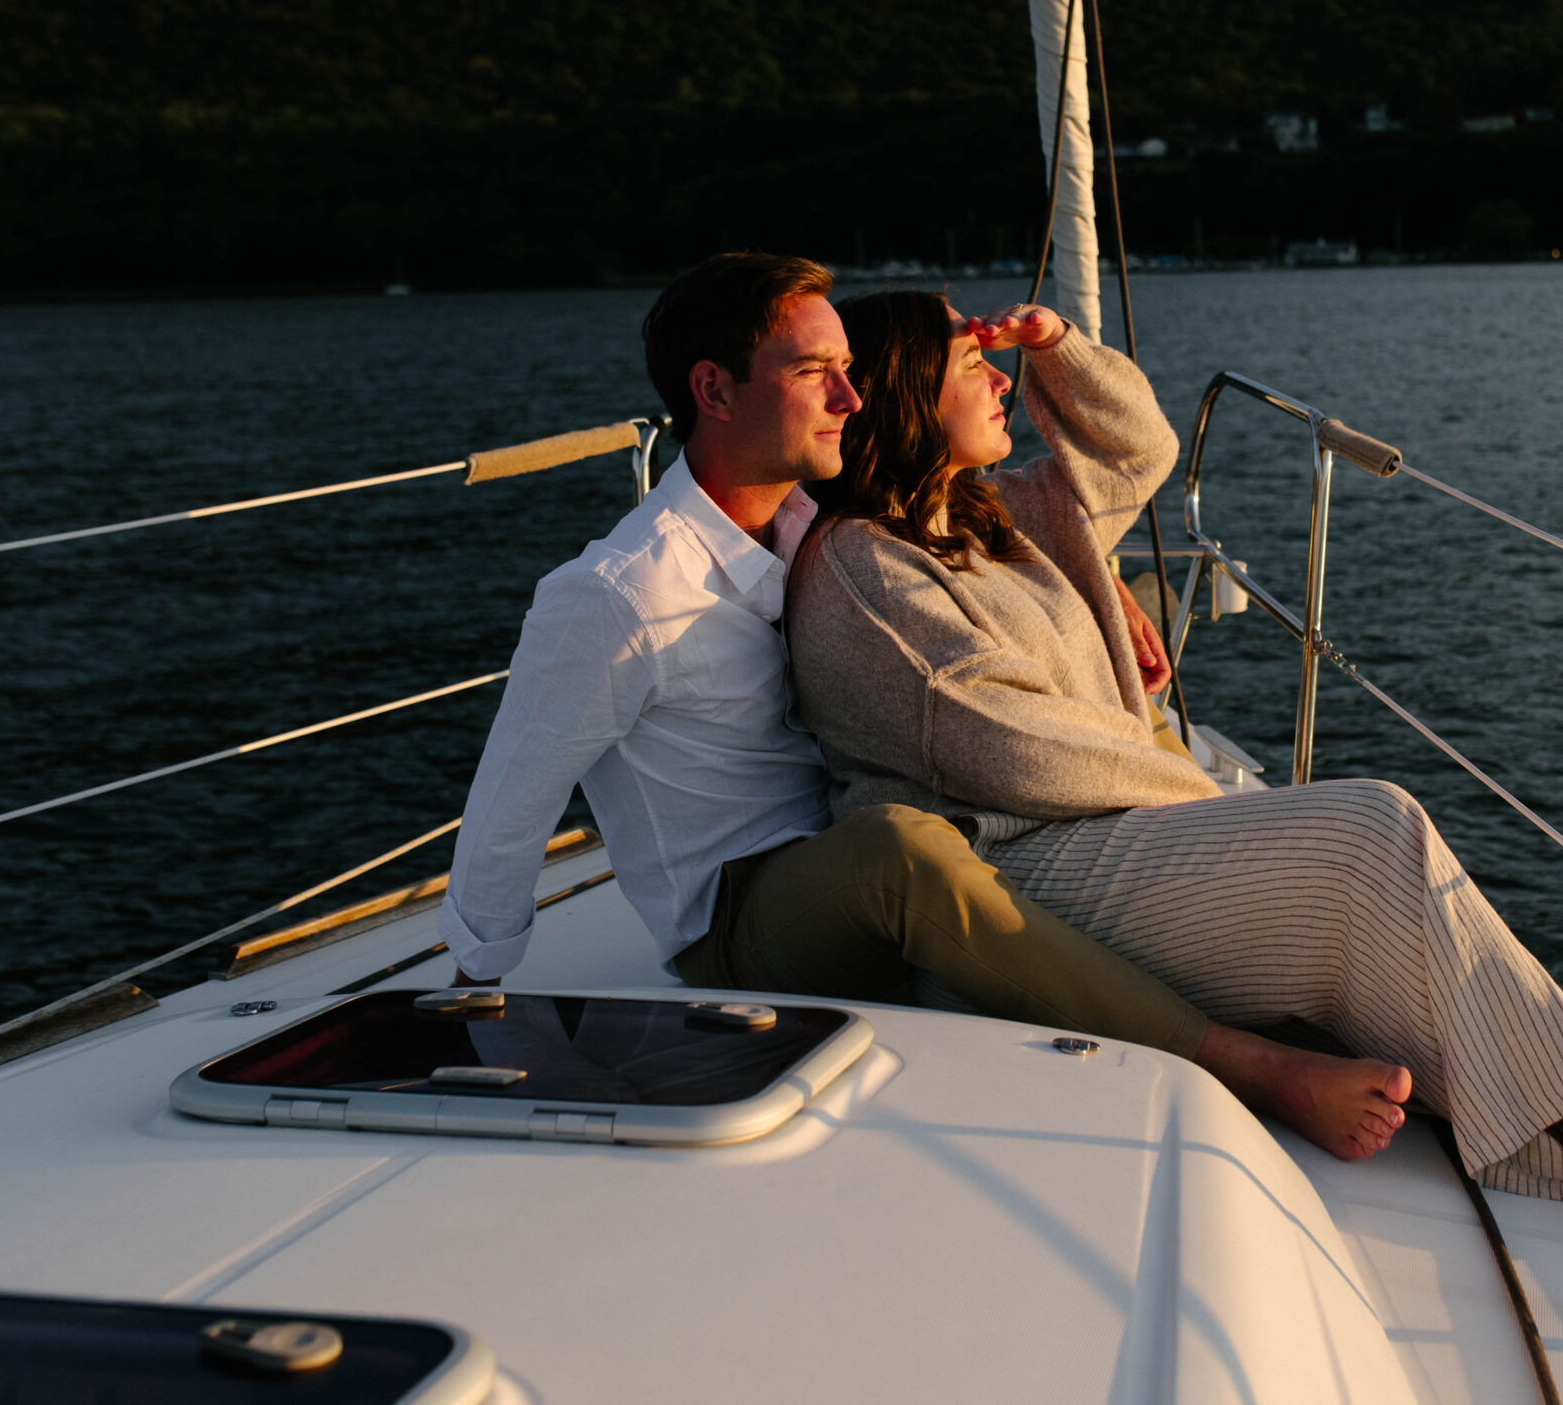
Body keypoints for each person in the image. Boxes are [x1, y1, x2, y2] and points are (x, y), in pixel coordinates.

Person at [784, 290, 1563, 1224]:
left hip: (1111, 840)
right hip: (1021, 869)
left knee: (1401, 926)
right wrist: (1206, 805)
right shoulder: (864, 568)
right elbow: (1013, 752)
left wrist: (1058, 347)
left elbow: (1136, 448)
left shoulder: (1007, 512)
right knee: (1366, 832)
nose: (998, 377)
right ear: (907, 399)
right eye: (972, 365)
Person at [438, 252, 1424, 1160]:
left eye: (850, 370)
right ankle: (1250, 1066)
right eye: (815, 373)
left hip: (870, 848)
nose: (851, 396)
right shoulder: (617, 596)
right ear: (714, 390)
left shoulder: (812, 518)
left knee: (957, 854)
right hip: (743, 916)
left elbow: (1049, 491)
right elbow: (511, 800)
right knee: (905, 853)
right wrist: (474, 999)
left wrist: (1100, 584)